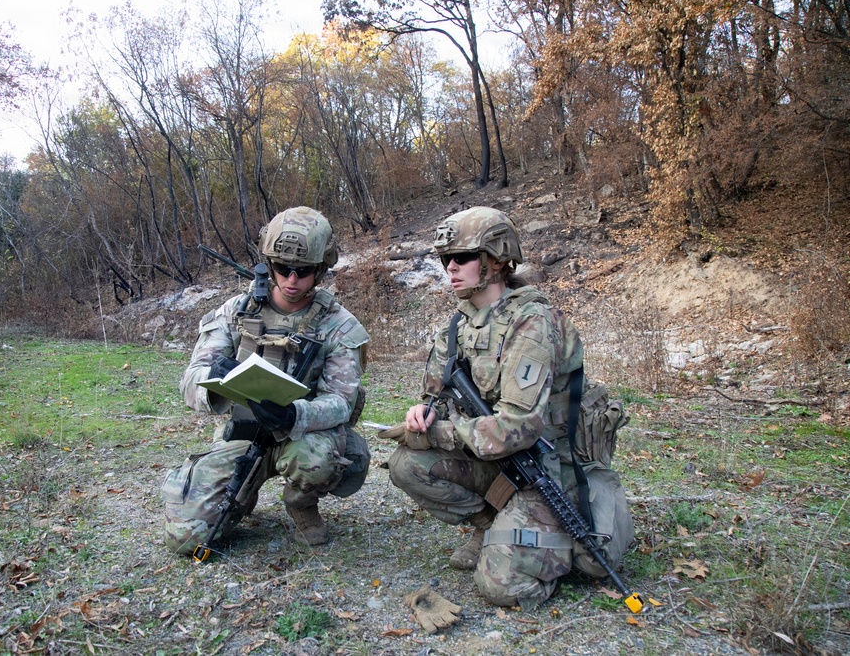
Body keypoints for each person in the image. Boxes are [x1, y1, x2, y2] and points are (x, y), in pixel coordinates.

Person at [381, 206, 633, 610]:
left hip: (547, 470)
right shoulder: (459, 324)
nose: (450, 268)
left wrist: (443, 432)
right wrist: (423, 413)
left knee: (501, 587)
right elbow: (435, 395)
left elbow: (517, 428)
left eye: (461, 257)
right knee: (407, 464)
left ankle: (552, 547)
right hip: (495, 460)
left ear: (496, 259)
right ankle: (490, 527)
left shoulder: (533, 323)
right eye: (446, 259)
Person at [162, 207, 371, 555]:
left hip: (303, 436)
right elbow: (191, 380)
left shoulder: (339, 325)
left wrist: (295, 416)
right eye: (282, 269)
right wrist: (214, 378)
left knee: (318, 460)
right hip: (244, 436)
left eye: (303, 272)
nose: (292, 280)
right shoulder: (236, 311)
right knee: (185, 539)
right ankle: (242, 495)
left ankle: (302, 503)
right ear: (267, 264)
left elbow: (340, 401)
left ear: (320, 270)